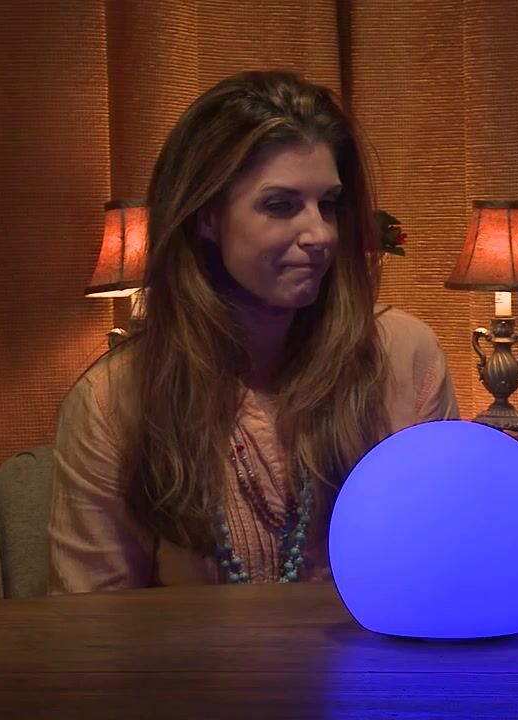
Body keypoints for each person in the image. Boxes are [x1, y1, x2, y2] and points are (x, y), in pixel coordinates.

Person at [50, 70, 458, 592]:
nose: (319, 234)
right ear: (207, 218)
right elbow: (91, 624)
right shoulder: (114, 401)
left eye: (328, 205)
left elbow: (443, 570)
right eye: (280, 205)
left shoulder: (404, 357)